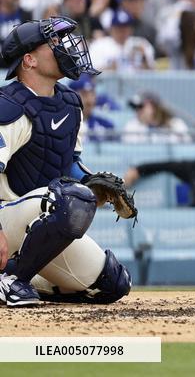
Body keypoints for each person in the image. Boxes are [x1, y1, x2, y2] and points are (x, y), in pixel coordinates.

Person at [0, 16, 133, 305]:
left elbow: (67, 163)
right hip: (5, 218)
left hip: (38, 222)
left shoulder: (70, 103)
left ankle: (15, 272)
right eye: (53, 42)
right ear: (29, 60)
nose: (63, 47)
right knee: (70, 199)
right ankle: (12, 281)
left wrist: (91, 184)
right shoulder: (8, 106)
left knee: (112, 284)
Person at [121, 92, 190, 144]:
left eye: (141, 106)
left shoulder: (176, 124)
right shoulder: (131, 126)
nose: (137, 111)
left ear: (154, 106)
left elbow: (186, 147)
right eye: (135, 108)